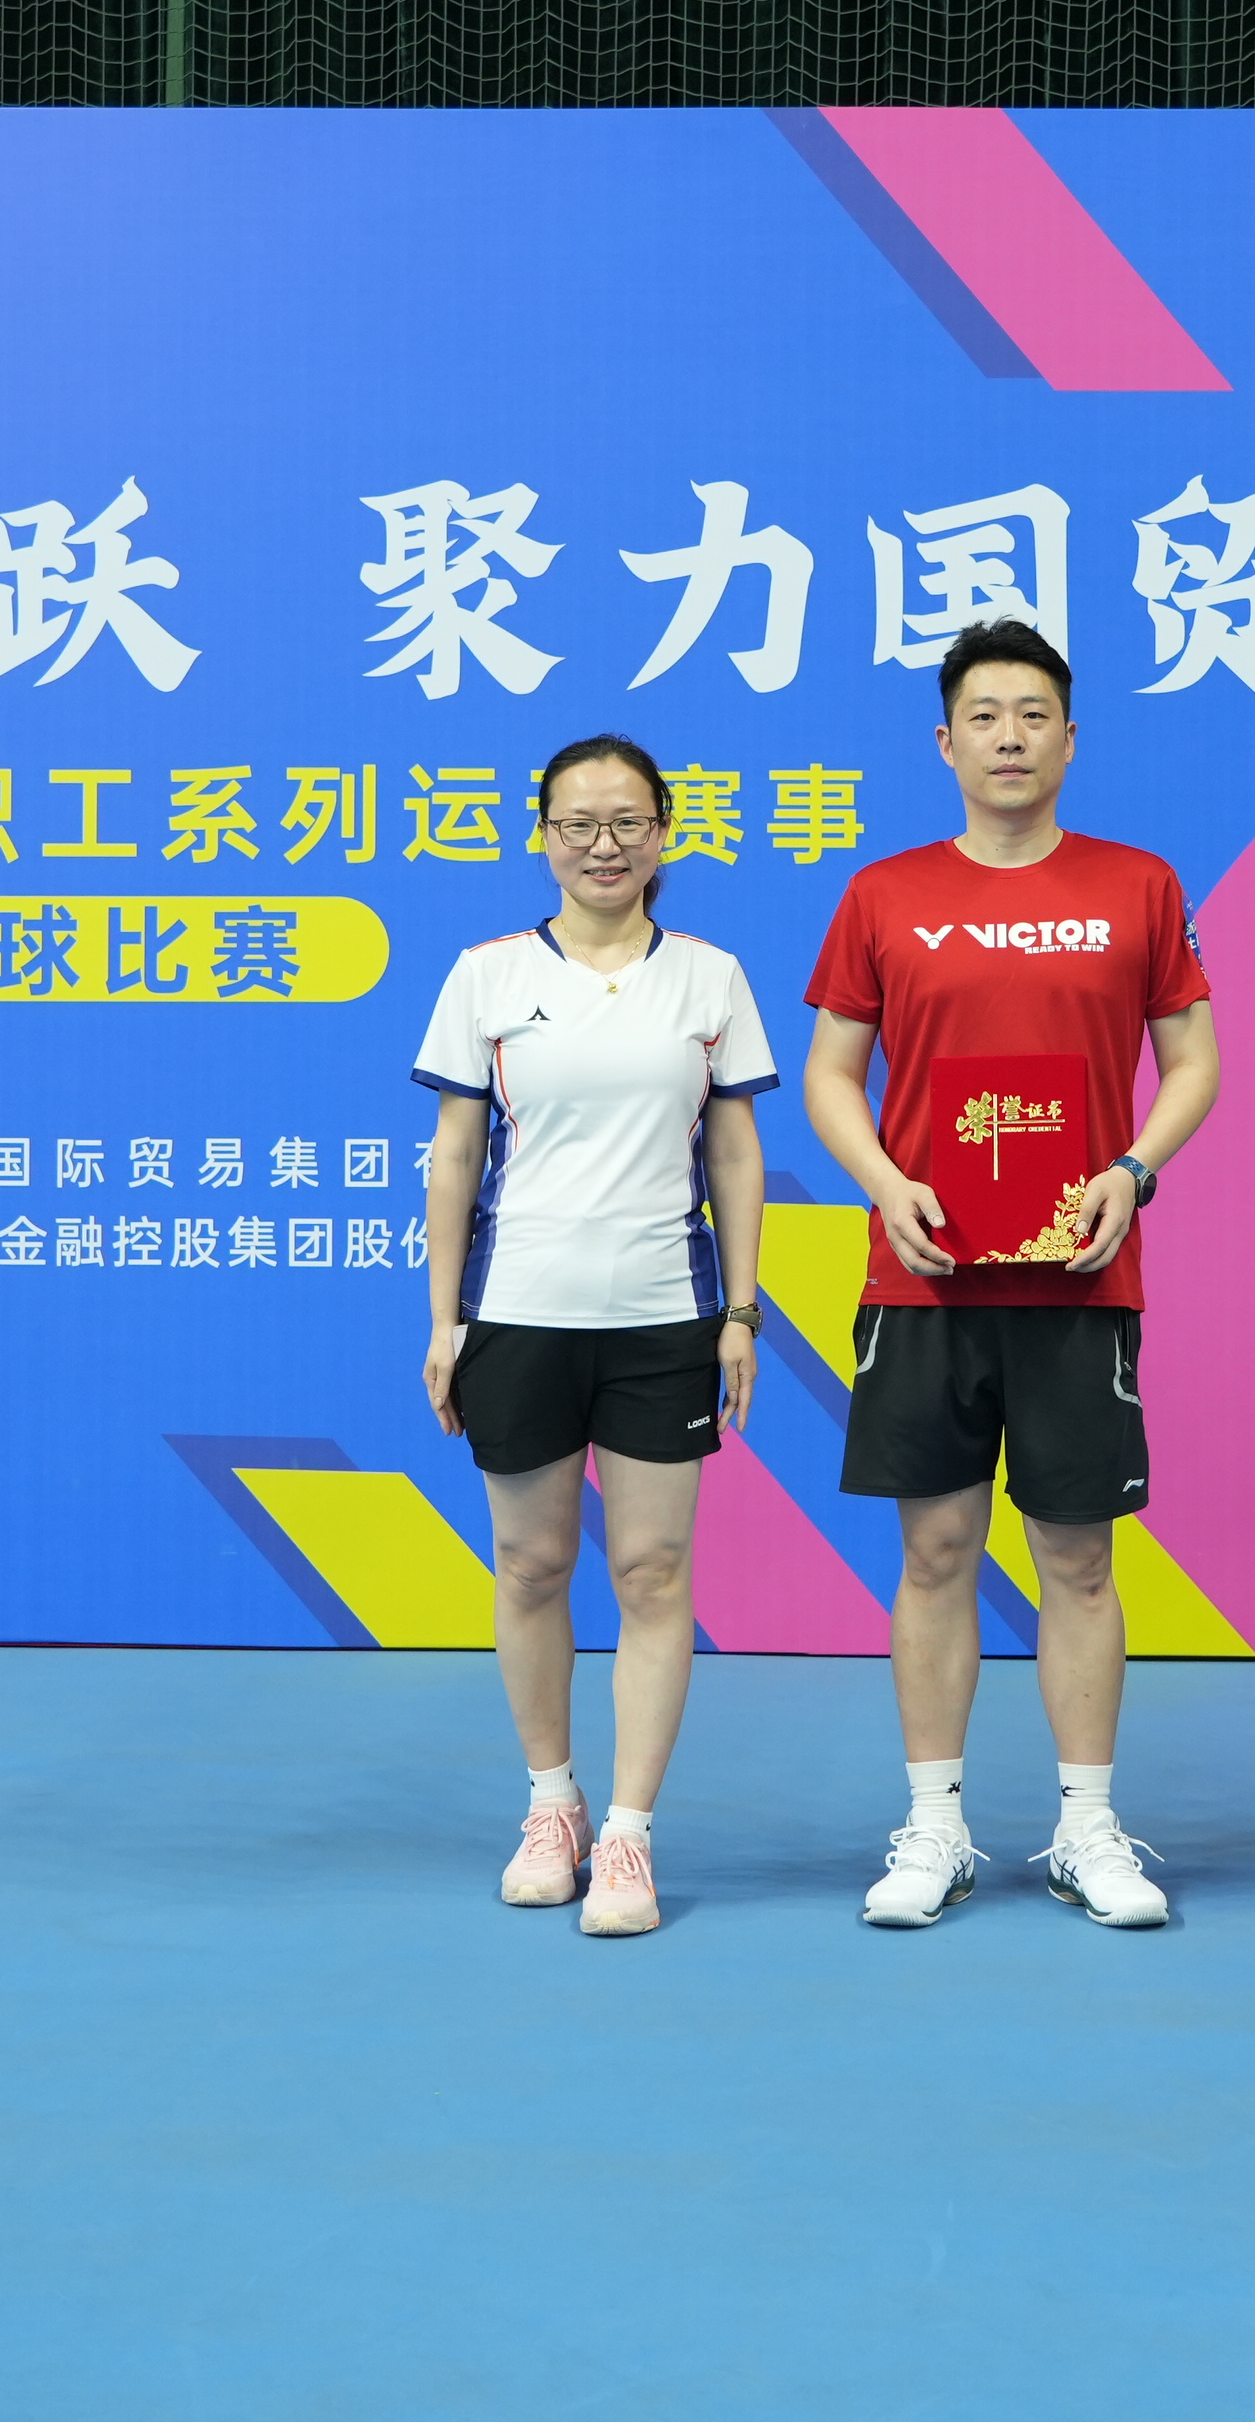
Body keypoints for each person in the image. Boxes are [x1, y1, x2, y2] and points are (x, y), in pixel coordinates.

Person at [802, 620, 1221, 1928]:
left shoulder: (1138, 887)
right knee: (935, 1553)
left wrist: (1133, 1169)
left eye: (1034, 714)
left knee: (1078, 1560)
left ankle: (1088, 1830)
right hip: (922, 1279)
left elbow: (1195, 1062)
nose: (1009, 737)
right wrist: (887, 1186)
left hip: (1080, 1277)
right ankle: (934, 1828)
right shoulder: (884, 895)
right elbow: (831, 1076)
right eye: (984, 716)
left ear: (1071, 738)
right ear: (945, 741)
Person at [412, 733, 776, 1939]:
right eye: (578, 824)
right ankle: (550, 1805)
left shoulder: (710, 979)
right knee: (529, 1565)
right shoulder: (487, 976)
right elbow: (456, 1154)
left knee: (652, 1573)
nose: (603, 845)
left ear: (664, 835)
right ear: (542, 836)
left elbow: (734, 1153)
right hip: (519, 1315)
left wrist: (740, 1312)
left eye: (627, 822)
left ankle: (627, 1833)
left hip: (663, 1319)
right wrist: (445, 1321)